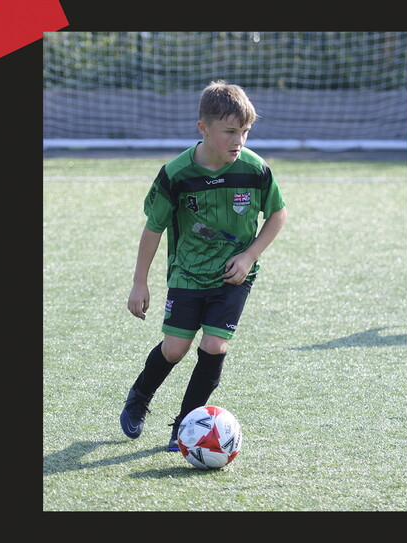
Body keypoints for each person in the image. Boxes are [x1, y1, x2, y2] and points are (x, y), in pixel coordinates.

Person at [120, 80, 288, 451]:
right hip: (187, 274)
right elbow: (153, 228)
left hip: (234, 276)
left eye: (245, 131)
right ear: (203, 128)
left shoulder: (255, 169)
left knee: (214, 345)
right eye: (230, 132)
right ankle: (140, 397)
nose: (239, 140)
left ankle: (185, 426)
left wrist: (249, 255)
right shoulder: (176, 174)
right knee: (174, 349)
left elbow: (278, 213)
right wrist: (139, 282)